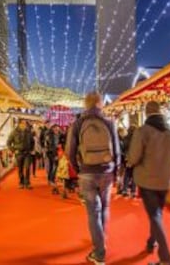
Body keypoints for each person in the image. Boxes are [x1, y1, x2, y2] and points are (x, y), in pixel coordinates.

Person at [68, 92, 120, 265]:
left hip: (87, 173)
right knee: (105, 208)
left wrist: (78, 169)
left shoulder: (78, 123)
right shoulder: (109, 122)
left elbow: (70, 151)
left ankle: (99, 253)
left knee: (93, 212)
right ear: (99, 104)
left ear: (85, 104)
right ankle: (101, 243)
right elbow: (117, 151)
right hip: (107, 171)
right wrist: (116, 171)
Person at [128, 101, 170, 265]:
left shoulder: (143, 132)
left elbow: (134, 157)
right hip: (166, 181)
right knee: (156, 213)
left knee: (155, 215)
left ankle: (166, 259)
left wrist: (130, 163)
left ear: (146, 112)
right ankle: (152, 241)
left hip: (147, 181)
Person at [7, 118, 34, 189]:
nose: (24, 125)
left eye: (25, 123)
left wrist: (31, 149)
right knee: (20, 168)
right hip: (19, 153)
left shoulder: (29, 132)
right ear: (19, 124)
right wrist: (13, 150)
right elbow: (8, 142)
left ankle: (27, 182)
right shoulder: (14, 132)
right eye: (23, 123)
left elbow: (32, 141)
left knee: (27, 167)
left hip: (27, 153)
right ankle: (21, 182)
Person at [45, 124, 60, 191]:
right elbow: (52, 146)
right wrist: (55, 155)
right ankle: (52, 179)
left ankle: (50, 179)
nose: (57, 130)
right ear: (53, 129)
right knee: (54, 166)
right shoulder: (50, 136)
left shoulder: (57, 135)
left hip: (52, 152)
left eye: (57, 129)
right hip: (51, 153)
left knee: (52, 166)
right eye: (56, 129)